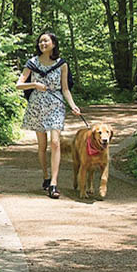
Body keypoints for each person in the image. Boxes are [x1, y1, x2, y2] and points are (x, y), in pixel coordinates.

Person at [15, 31, 81, 199]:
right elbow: (19, 85)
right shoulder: (32, 63)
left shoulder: (62, 64)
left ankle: (54, 183)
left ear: (54, 44)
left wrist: (73, 106)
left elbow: (65, 88)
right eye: (40, 41)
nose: (42, 44)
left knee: (55, 142)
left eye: (46, 41)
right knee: (42, 146)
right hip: (37, 106)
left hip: (56, 104)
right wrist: (35, 84)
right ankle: (45, 176)